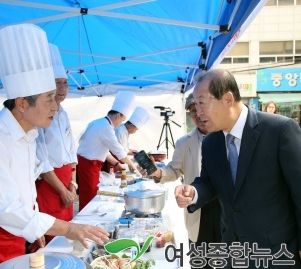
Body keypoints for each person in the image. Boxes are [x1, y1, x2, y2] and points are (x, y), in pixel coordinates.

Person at [0, 24, 108, 269]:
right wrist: (68, 228)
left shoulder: (28, 133)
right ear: (22, 104)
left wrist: (34, 232)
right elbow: (7, 210)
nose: (55, 106)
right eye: (49, 99)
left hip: (15, 239)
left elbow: (25, 192)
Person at [175, 69, 301, 268]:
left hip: (276, 253)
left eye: (202, 103)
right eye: (195, 105)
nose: (197, 113)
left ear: (227, 99)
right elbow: (208, 182)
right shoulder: (211, 142)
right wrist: (193, 192)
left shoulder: (279, 130)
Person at [150, 93, 221, 269]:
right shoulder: (184, 142)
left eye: (199, 109)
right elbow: (173, 170)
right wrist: (157, 172)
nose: (198, 116)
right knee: (201, 260)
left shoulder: (226, 136)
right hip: (197, 207)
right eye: (192, 112)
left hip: (225, 209)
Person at [35, 43, 77, 245]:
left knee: (67, 232)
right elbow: (41, 160)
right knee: (53, 234)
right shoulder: (40, 115)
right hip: (50, 183)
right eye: (57, 83)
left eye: (65, 83)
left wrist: (73, 183)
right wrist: (62, 189)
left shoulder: (64, 114)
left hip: (66, 180)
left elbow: (71, 152)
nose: (62, 88)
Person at [77, 91, 138, 210]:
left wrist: (117, 164)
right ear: (118, 116)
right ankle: (86, 222)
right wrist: (130, 164)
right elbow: (118, 150)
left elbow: (103, 151)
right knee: (90, 197)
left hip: (88, 163)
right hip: (88, 165)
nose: (120, 123)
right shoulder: (105, 127)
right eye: (122, 120)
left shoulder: (99, 122)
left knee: (91, 194)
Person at [104, 106, 150, 173]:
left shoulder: (125, 131)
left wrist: (134, 152)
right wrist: (130, 163)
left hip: (119, 159)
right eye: (135, 129)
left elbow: (124, 148)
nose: (135, 132)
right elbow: (120, 152)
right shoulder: (120, 131)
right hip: (113, 161)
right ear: (131, 125)